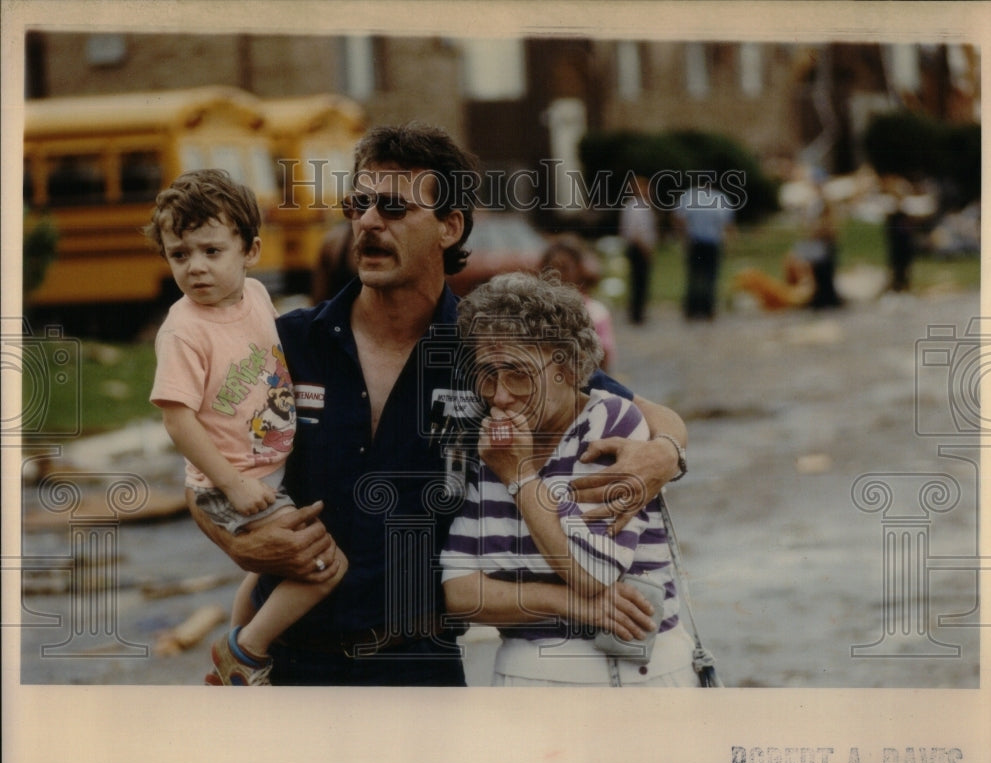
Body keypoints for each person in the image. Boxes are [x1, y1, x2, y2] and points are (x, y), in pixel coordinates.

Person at [186, 123, 688, 686]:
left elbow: (646, 411)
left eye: (395, 209)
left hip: (419, 668)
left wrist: (664, 453)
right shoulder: (288, 343)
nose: (369, 222)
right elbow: (204, 473)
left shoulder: (489, 351)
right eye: (359, 204)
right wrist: (235, 539)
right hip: (291, 662)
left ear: (450, 226)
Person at [441, 271, 698, 687]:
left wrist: (521, 478)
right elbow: (459, 592)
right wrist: (573, 605)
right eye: (487, 374)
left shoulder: (609, 420)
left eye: (518, 373)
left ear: (567, 365)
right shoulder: (488, 439)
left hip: (635, 677)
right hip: (529, 676)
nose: (500, 395)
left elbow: (592, 571)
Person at [147, 169, 348, 685]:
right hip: (229, 482)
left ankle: (231, 651)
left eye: (211, 251)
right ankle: (248, 651)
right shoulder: (184, 331)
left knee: (270, 568)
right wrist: (233, 484)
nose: (195, 268)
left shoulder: (257, 297)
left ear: (250, 251)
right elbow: (177, 420)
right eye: (180, 254)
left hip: (270, 468)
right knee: (325, 566)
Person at [539, 235, 617, 371]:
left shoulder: (595, 311)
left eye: (565, 268)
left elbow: (604, 358)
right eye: (551, 268)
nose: (557, 274)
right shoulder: (538, 310)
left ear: (579, 270)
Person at [674, 177, 735, 321]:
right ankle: (707, 308)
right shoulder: (719, 198)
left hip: (695, 240)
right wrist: (728, 243)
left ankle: (692, 308)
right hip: (712, 242)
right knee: (710, 276)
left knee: (694, 275)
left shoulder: (690, 196)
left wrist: (683, 236)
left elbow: (678, 217)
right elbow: (727, 224)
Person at [618, 174, 658, 325]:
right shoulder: (636, 207)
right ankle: (636, 313)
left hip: (640, 247)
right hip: (638, 248)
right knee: (639, 281)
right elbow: (636, 232)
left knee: (641, 281)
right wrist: (645, 249)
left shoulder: (641, 206)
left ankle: (638, 310)